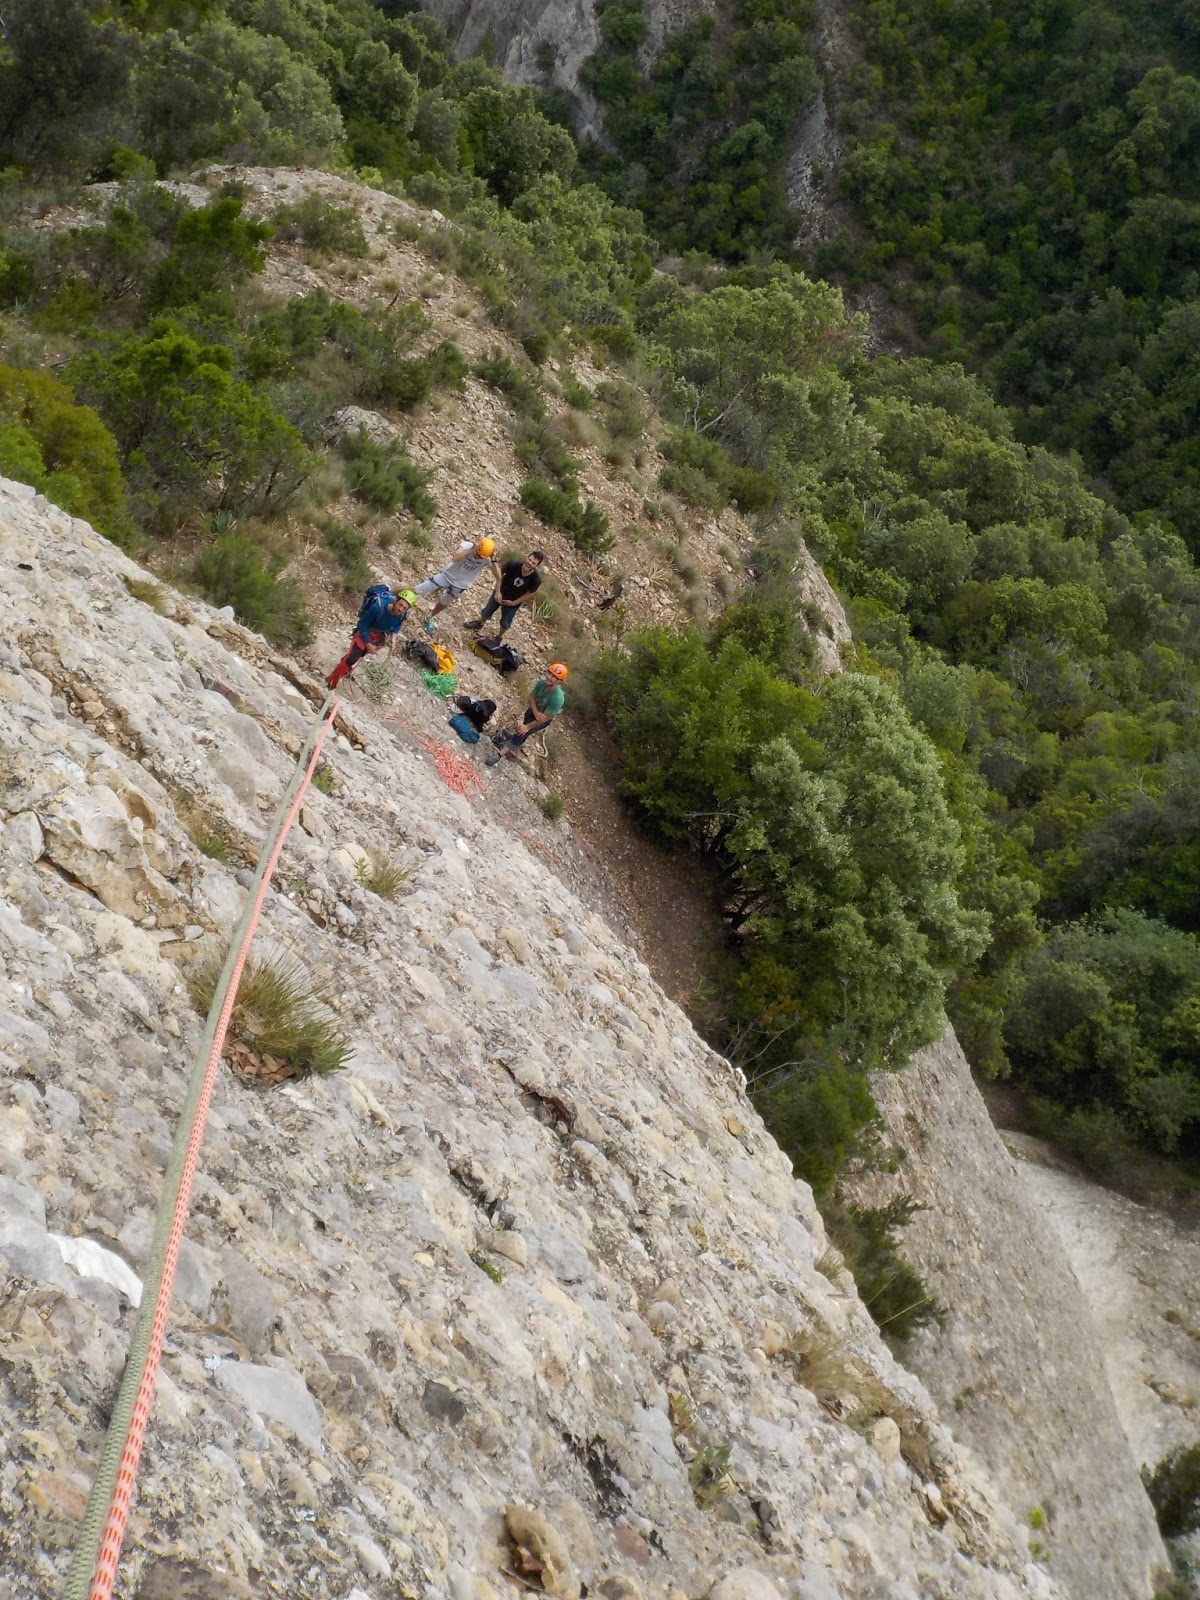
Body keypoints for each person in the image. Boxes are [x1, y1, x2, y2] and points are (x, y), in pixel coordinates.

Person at [326, 586, 415, 690]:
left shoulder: (402, 614)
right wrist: (368, 644)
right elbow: (362, 625)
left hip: (378, 637)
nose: (401, 609)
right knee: (351, 658)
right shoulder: (377, 607)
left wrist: (393, 638)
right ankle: (330, 682)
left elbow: (397, 625)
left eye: (404, 608)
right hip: (364, 632)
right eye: (400, 604)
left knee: (358, 655)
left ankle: (344, 668)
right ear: (396, 600)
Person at [485, 662, 568, 765]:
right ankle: (513, 747)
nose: (549, 677)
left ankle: (499, 755)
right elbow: (531, 697)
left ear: (559, 681)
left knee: (522, 733)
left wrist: (528, 727)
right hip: (534, 710)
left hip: (542, 720)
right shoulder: (542, 683)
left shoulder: (558, 699)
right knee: (522, 730)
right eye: (549, 673)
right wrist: (535, 712)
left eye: (554, 677)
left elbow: (544, 718)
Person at [415, 537, 499, 632]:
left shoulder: (486, 558)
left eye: (481, 557)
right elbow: (455, 558)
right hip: (447, 575)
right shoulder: (467, 546)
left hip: (461, 585)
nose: (478, 558)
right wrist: (471, 550)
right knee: (420, 589)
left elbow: (498, 576)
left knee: (444, 601)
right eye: (478, 555)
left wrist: (494, 560)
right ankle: (397, 595)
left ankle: (430, 617)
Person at [464, 550, 545, 636]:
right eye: (529, 559)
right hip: (501, 592)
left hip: (514, 600)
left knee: (506, 622)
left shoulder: (535, 579)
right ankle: (479, 623)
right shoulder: (513, 564)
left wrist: (514, 603)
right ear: (527, 557)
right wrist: (497, 591)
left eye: (533, 563)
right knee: (487, 611)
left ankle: (499, 637)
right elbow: (500, 575)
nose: (529, 563)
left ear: (537, 565)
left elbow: (530, 593)